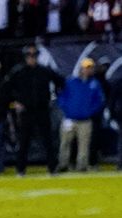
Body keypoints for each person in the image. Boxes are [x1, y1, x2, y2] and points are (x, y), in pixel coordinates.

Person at [7, 46, 63, 175]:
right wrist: (14, 102)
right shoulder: (18, 72)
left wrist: (54, 97)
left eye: (34, 56)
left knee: (48, 140)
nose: (32, 59)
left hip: (42, 110)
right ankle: (21, 169)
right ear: (25, 57)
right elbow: (6, 88)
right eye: (29, 56)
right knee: (24, 141)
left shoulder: (44, 71)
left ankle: (52, 168)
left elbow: (60, 81)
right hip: (26, 111)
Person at [57, 58, 105, 171]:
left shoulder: (94, 83)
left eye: (91, 67)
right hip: (69, 118)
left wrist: (90, 111)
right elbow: (61, 97)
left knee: (84, 145)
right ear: (81, 68)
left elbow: (99, 100)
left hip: (85, 119)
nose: (89, 70)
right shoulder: (70, 81)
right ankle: (63, 164)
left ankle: (82, 166)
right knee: (65, 143)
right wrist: (67, 110)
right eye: (87, 67)